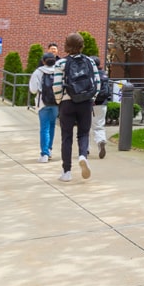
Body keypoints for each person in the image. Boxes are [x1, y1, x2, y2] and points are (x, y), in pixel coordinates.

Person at [52, 33, 100, 182]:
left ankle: (66, 171)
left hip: (67, 102)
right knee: (83, 133)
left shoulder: (61, 63)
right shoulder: (90, 62)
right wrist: (91, 98)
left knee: (66, 137)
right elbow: (97, 83)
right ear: (81, 45)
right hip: (85, 102)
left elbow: (57, 86)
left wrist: (60, 100)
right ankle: (82, 156)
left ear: (66, 45)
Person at [28, 52, 60, 163]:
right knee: (52, 126)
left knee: (44, 128)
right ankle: (49, 149)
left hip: (42, 103)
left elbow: (33, 89)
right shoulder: (58, 70)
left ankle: (44, 154)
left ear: (43, 61)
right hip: (56, 102)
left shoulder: (38, 72)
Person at [90, 56, 111, 159]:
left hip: (91, 103)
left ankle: (85, 149)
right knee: (99, 125)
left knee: (86, 127)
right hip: (103, 104)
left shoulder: (90, 74)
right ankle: (101, 140)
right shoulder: (104, 74)